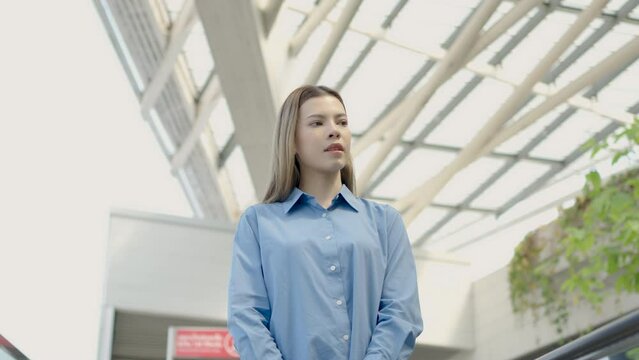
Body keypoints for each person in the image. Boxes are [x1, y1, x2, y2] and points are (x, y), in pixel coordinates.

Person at [227, 85, 423, 359]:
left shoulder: (385, 222)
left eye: (342, 122)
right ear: (292, 141)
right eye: (317, 123)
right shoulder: (258, 224)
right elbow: (246, 315)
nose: (335, 130)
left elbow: (401, 313)